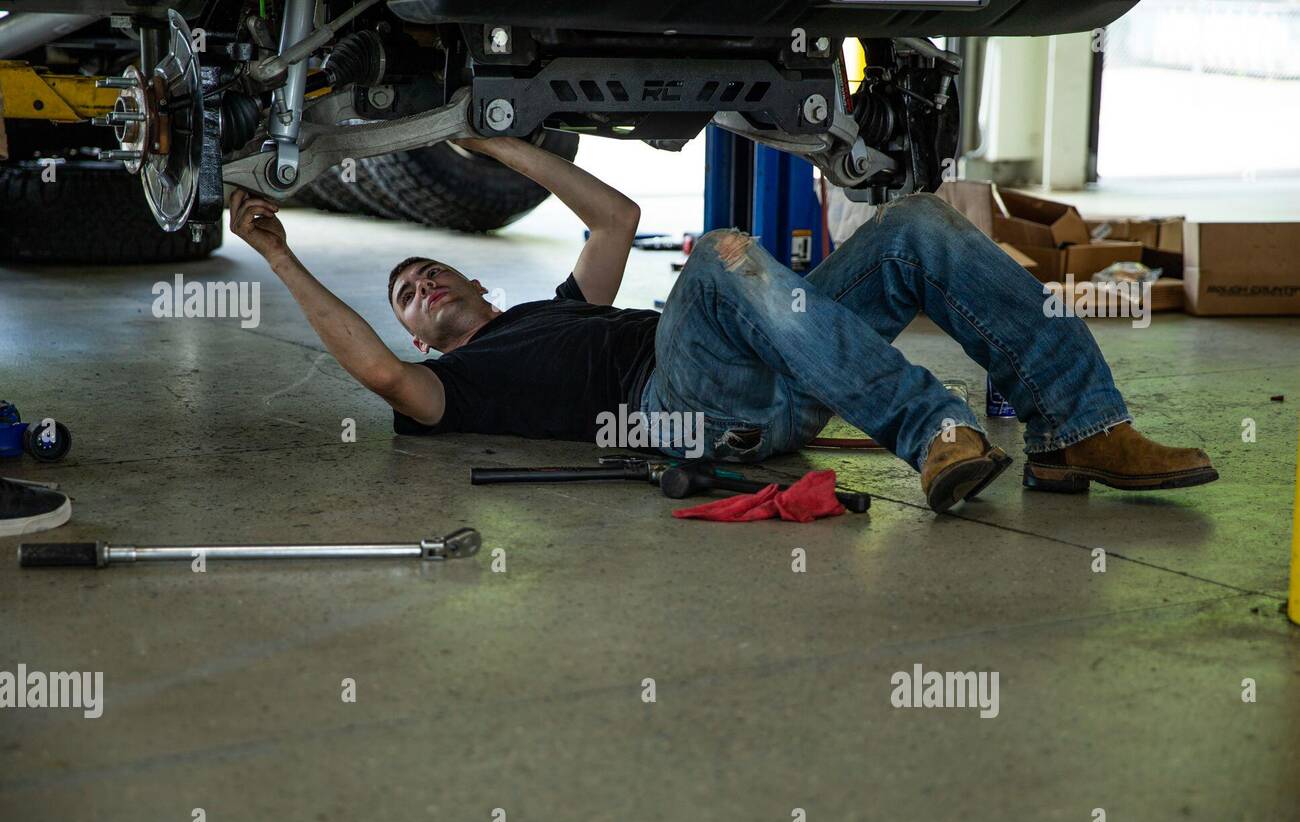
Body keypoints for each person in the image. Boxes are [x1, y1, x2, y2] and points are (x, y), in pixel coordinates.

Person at [228, 136, 1217, 514]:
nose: (422, 284)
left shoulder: (552, 309)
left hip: (783, 363)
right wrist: (279, 254)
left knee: (914, 225)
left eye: (433, 269)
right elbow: (379, 377)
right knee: (718, 254)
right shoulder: (456, 387)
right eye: (405, 294)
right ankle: (930, 432)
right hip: (686, 410)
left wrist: (496, 141)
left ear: (477, 283)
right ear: (416, 336)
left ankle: (1077, 428)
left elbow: (609, 217)